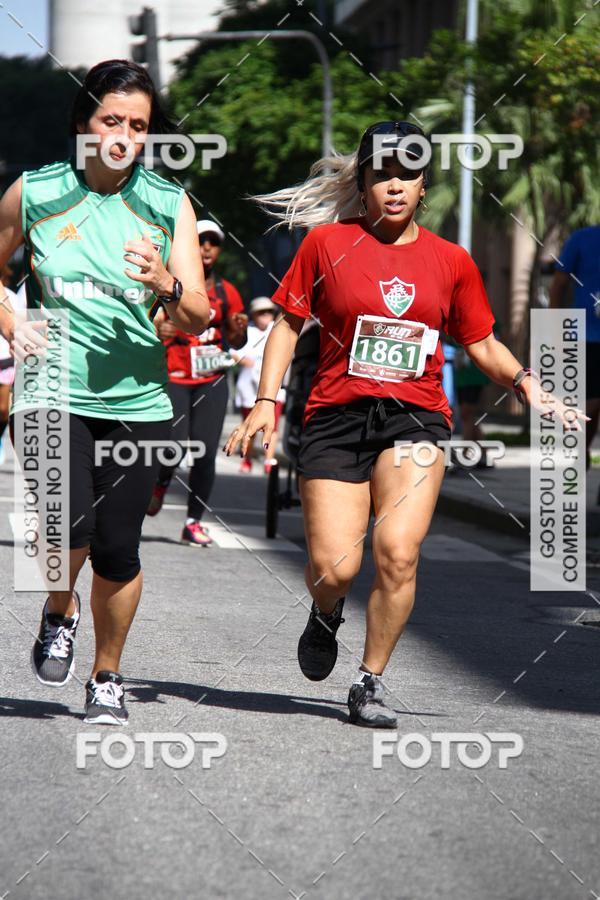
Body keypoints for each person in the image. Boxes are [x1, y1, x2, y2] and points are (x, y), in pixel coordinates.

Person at [224, 120, 587, 728]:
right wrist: (267, 400)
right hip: (336, 417)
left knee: (397, 553)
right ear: (363, 183)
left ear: (423, 186)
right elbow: (287, 324)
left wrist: (525, 382)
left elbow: (481, 341)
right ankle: (326, 611)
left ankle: (369, 681)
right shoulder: (326, 245)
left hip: (415, 420)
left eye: (407, 175)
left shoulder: (451, 261)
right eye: (382, 174)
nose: (394, 186)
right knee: (335, 569)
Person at [0, 59, 209, 724]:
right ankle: (58, 609)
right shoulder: (35, 191)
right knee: (68, 524)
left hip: (138, 398)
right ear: (83, 122)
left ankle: (106, 677)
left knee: (117, 547)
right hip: (50, 385)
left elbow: (198, 314)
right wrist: (10, 321)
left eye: (138, 126)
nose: (123, 136)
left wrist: (166, 284)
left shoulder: (167, 202)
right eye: (111, 120)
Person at [147, 219, 247, 545]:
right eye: (201, 240)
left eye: (213, 243)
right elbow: (150, 325)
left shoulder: (226, 292)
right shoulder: (168, 285)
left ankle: (193, 522)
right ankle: (161, 482)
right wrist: (161, 330)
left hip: (212, 380)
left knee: (204, 453)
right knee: (173, 446)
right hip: (175, 377)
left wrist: (239, 329)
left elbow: (237, 339)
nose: (206, 248)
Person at [549, 225, 600, 472]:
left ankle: (582, 452)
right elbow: (558, 285)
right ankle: (582, 451)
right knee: (591, 401)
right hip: (586, 336)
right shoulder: (581, 238)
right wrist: (555, 330)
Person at [233, 296, 284, 473]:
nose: (266, 315)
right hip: (249, 388)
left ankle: (268, 461)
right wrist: (243, 360)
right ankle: (246, 458)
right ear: (254, 315)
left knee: (272, 426)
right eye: (261, 312)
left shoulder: (278, 329)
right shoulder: (247, 331)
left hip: (274, 387)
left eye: (269, 312)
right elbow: (232, 351)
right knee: (250, 425)